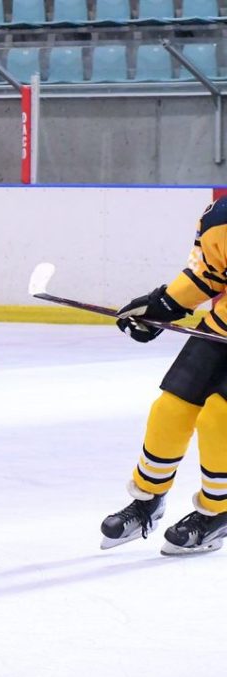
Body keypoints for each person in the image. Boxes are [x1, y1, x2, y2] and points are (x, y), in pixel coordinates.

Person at [100, 198, 227, 555]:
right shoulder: (218, 217)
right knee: (169, 410)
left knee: (219, 418)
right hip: (220, 330)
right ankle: (147, 501)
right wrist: (163, 306)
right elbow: (208, 274)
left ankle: (218, 512)